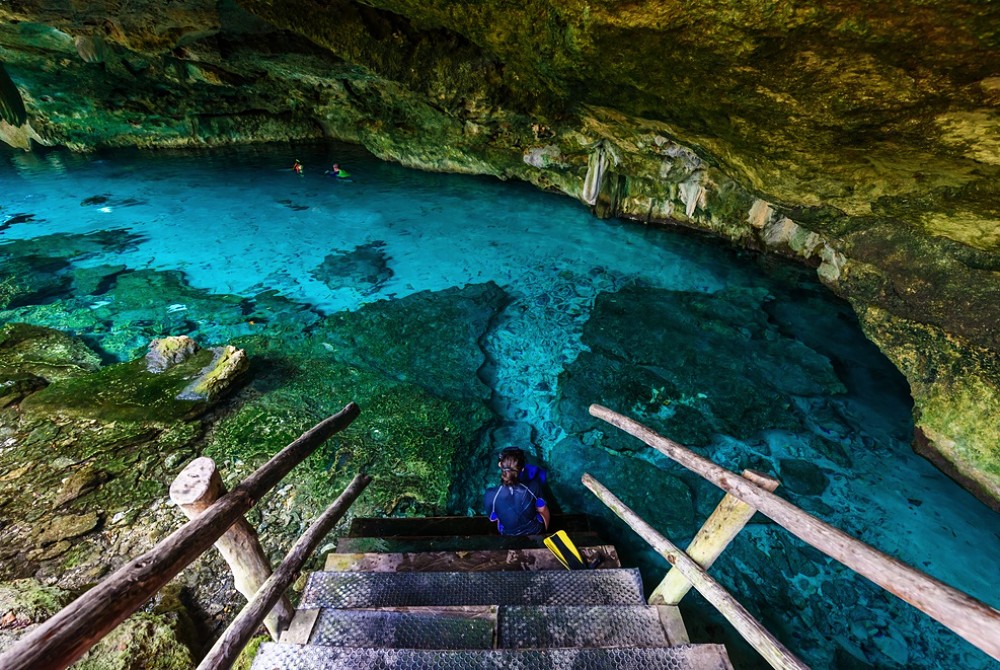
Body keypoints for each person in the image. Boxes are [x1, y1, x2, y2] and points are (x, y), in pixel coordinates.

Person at [484, 447, 550, 536]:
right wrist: (544, 531)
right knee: (542, 508)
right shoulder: (534, 486)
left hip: (508, 534)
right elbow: (543, 510)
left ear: (500, 464)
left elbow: (493, 518)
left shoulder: (490, 494)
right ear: (522, 469)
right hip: (535, 530)